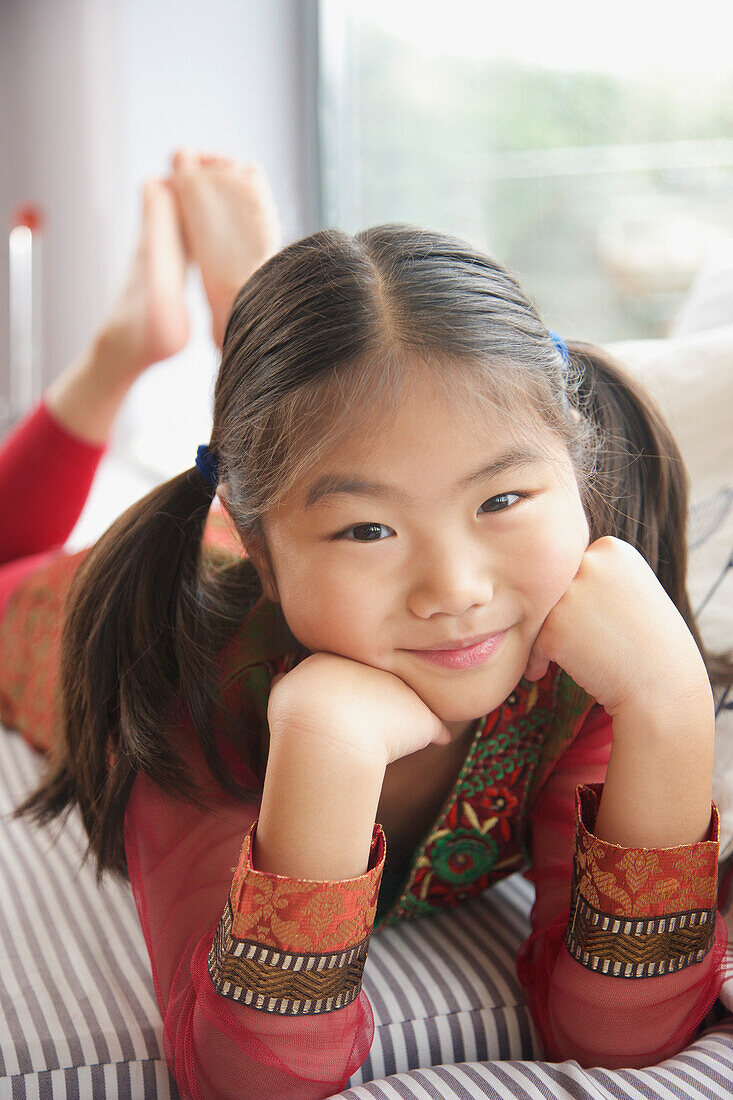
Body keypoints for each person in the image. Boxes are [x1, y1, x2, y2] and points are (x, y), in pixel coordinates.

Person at [0, 150, 728, 1100]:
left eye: (503, 498)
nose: (454, 589)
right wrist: (322, 754)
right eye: (369, 527)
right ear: (267, 559)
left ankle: (268, 360)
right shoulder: (191, 687)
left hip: (281, 541)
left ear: (578, 476)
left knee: (354, 447)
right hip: (84, 595)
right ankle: (126, 348)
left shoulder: (580, 667)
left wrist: (671, 711)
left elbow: (621, 1040)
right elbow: (244, 1083)